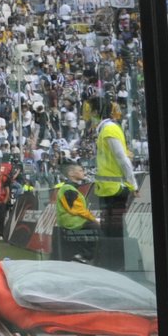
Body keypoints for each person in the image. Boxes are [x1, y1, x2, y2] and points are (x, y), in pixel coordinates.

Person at [91, 95, 138, 270]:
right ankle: (112, 265)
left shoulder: (109, 130)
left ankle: (117, 266)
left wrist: (133, 184)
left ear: (97, 112)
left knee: (115, 231)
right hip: (108, 189)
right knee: (110, 230)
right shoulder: (105, 130)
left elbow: (122, 158)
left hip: (115, 190)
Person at [50, 162, 99, 263]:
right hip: (72, 221)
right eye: (80, 170)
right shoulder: (68, 188)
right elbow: (77, 210)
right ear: (71, 174)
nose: (83, 173)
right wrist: (93, 219)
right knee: (97, 227)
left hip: (72, 220)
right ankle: (84, 256)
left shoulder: (70, 188)